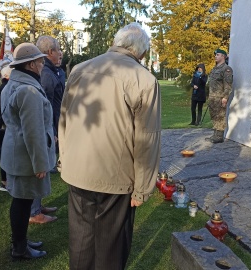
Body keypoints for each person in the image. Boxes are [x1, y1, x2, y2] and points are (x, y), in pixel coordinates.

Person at [59, 22, 161, 270]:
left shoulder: (80, 70)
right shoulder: (143, 79)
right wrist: (143, 188)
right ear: (142, 52)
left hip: (79, 169)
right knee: (111, 247)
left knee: (82, 240)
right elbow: (147, 138)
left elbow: (63, 120)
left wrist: (64, 159)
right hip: (115, 175)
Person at [0, 43, 56, 259]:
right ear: (32, 64)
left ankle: (20, 241)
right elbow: (33, 131)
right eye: (41, 61)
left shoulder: (13, 85)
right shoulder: (28, 90)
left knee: (21, 201)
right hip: (25, 156)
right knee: (22, 203)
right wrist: (40, 163)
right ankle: (19, 247)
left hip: (16, 152)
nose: (43, 64)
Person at [25, 35, 63, 224]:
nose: (60, 53)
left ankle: (37, 206)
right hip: (47, 126)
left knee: (45, 167)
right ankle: (34, 211)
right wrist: (52, 131)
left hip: (51, 125)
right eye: (58, 50)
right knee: (40, 168)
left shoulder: (50, 71)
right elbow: (44, 106)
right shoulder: (47, 74)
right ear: (50, 52)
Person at [206, 48, 233, 143]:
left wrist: (225, 97)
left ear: (223, 56)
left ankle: (219, 136)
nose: (215, 56)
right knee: (214, 116)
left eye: (217, 55)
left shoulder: (226, 69)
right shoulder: (215, 68)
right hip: (212, 96)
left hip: (220, 97)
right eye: (215, 55)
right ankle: (215, 135)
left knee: (220, 116)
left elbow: (228, 85)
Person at [0, 61, 12, 192]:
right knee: (4, 153)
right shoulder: (4, 89)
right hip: (4, 125)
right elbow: (2, 109)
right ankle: (4, 182)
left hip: (3, 124)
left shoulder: (4, 87)